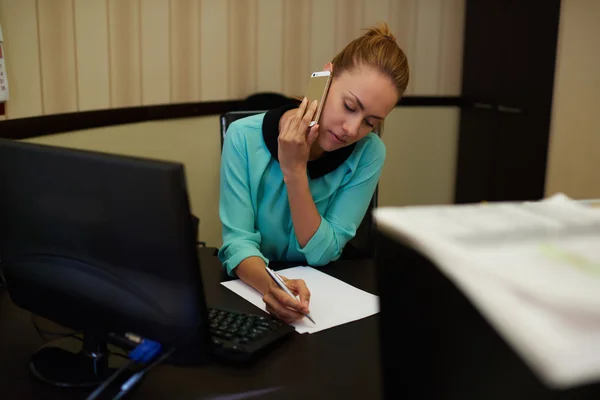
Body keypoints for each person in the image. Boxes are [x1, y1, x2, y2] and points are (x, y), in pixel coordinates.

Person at [218, 22, 409, 323]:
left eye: (370, 122)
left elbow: (323, 252)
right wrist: (272, 287)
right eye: (349, 106)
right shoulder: (242, 137)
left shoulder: (369, 153)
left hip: (330, 301)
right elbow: (237, 243)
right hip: (258, 290)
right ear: (326, 78)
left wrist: (294, 171)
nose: (351, 129)